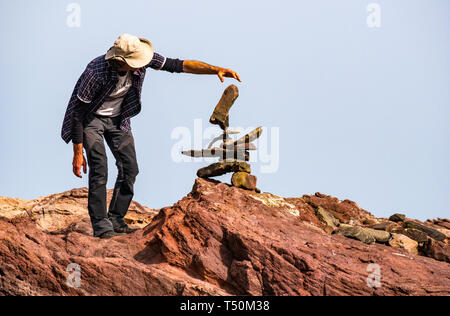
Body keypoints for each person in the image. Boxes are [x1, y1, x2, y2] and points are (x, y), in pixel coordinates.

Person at [61, 34, 241, 239]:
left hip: (119, 120)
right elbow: (77, 114)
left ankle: (116, 220)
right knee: (99, 167)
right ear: (121, 61)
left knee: (130, 168)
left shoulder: (145, 60)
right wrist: (77, 154)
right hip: (91, 120)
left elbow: (179, 65)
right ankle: (102, 227)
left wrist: (215, 70)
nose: (141, 66)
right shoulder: (95, 72)